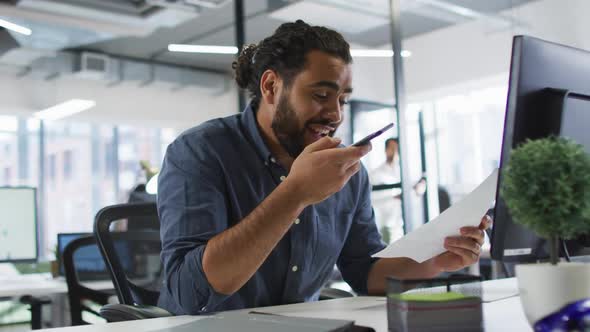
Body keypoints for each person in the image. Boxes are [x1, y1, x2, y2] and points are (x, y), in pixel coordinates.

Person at [157, 20, 491, 315]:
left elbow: (364, 271)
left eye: (343, 99)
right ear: (271, 87)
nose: (336, 114)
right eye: (320, 94)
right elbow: (190, 295)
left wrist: (434, 260)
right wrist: (295, 193)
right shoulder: (199, 152)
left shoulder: (346, 171)